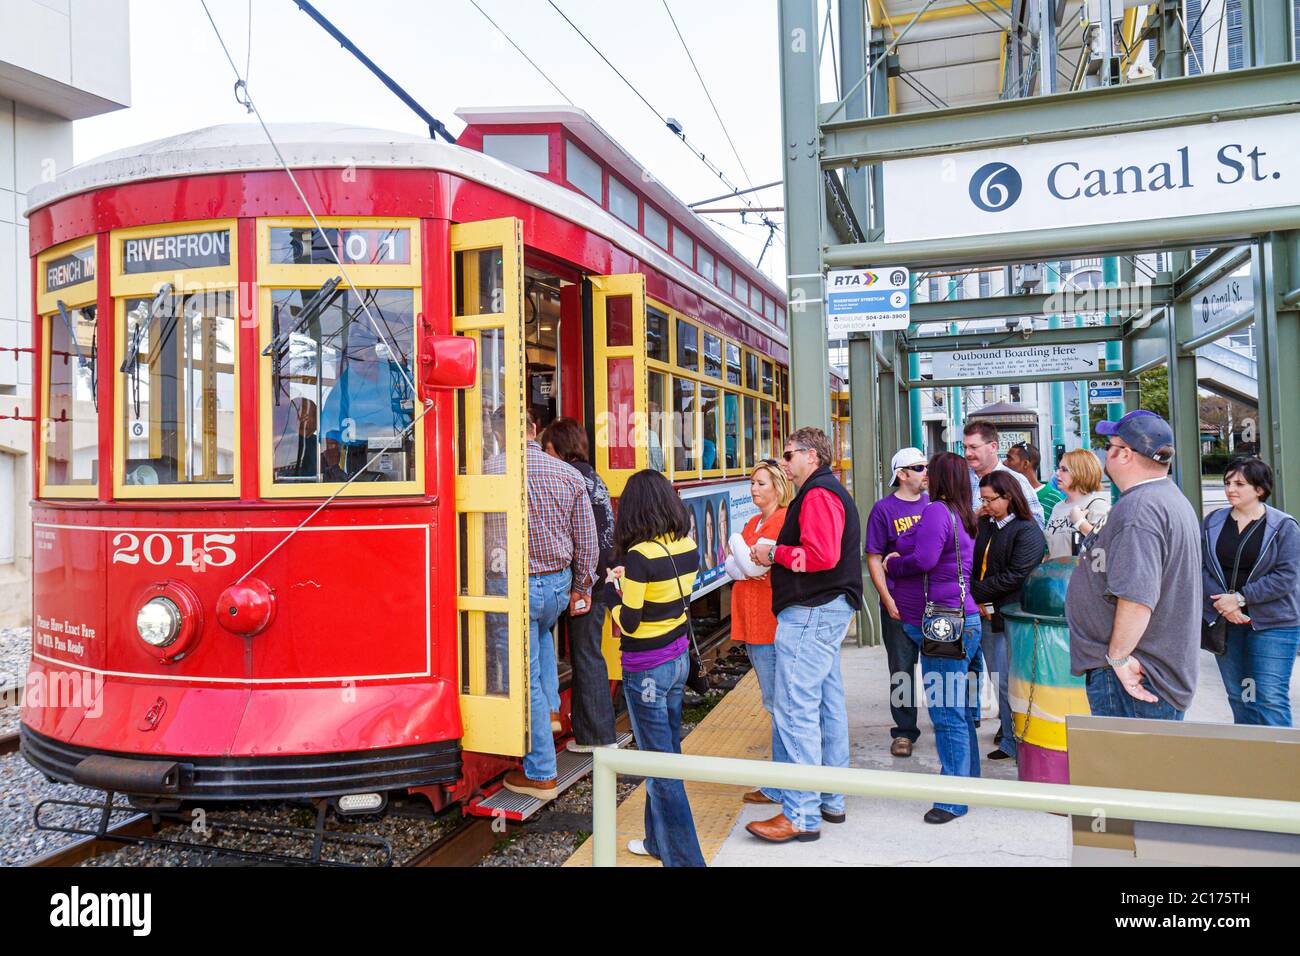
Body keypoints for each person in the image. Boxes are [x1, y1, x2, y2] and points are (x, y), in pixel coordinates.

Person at [746, 427, 861, 843]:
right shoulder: (825, 491)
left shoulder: (818, 494)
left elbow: (821, 555)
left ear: (811, 456)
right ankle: (830, 799)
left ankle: (800, 814)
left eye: (789, 454)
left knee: (796, 709)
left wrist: (772, 552)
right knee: (827, 706)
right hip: (825, 610)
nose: (784, 462)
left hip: (812, 611)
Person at [1065, 410, 1201, 720]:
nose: (1105, 455)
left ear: (1124, 454)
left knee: (1126, 768)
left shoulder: (1139, 509)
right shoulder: (1166, 498)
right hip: (1147, 668)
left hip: (1133, 674)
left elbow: (1137, 598)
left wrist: (1118, 658)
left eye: (1109, 445)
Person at [609, 470, 706, 866]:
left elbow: (629, 621)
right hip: (677, 660)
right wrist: (628, 583)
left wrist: (615, 591)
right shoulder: (688, 545)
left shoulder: (638, 555)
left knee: (659, 769)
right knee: (666, 753)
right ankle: (656, 842)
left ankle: (685, 860)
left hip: (646, 668)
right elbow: (666, 599)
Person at [501, 411, 598, 801]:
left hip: (516, 588)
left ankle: (541, 772)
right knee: (541, 638)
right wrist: (581, 587)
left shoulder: (492, 469)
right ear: (533, 432)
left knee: (523, 677)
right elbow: (586, 542)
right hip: (556, 587)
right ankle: (555, 715)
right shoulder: (568, 473)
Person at [883, 452, 982, 824]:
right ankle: (968, 782)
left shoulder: (938, 511)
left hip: (943, 621)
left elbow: (923, 559)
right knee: (960, 709)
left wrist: (895, 564)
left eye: (929, 471)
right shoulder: (964, 513)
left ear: (940, 477)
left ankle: (953, 798)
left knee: (946, 711)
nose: (924, 476)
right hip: (965, 617)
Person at [1202, 457, 1300, 726]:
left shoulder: (1283, 526)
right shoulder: (1213, 522)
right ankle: (1249, 763)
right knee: (1240, 696)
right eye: (1227, 483)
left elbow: (1287, 577)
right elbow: (1199, 567)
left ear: (1259, 489)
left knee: (1269, 696)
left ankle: (1281, 764)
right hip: (1226, 621)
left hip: (1273, 624)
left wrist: (1240, 599)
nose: (1230, 489)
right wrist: (1224, 604)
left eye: (1240, 484)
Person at [542, 418, 618, 752]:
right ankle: (591, 733)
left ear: (557, 448)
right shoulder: (591, 475)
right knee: (589, 653)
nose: (546, 456)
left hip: (587, 581)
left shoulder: (570, 477)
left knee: (587, 655)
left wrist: (579, 585)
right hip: (603, 577)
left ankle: (598, 738)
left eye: (547, 449)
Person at [727, 461, 794, 807]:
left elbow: (753, 566)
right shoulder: (753, 522)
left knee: (777, 703)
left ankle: (781, 784)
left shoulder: (781, 520)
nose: (754, 489)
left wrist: (744, 561)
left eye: (761, 483)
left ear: (778, 487)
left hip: (769, 622)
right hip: (754, 621)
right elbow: (736, 567)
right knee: (775, 702)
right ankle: (783, 779)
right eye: (753, 483)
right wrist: (744, 562)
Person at [972, 471, 1046, 761]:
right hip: (987, 614)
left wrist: (974, 592)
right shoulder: (984, 525)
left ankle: (1015, 740)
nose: (985, 504)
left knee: (1008, 680)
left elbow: (1016, 576)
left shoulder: (1027, 531)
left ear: (1009, 497)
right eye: (983, 499)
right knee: (997, 678)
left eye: (990, 499)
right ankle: (1009, 736)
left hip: (1010, 617)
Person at [864, 447, 930, 758]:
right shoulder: (883, 510)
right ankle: (904, 731)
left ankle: (949, 723)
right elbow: (874, 558)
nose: (924, 472)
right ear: (901, 475)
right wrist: (886, 598)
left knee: (940, 666)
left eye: (925, 466)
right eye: (918, 468)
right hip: (899, 604)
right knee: (902, 670)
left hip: (934, 603)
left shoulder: (936, 505)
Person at [963, 422, 1044, 527]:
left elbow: (1037, 524)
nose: (967, 453)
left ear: (993, 447)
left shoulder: (1016, 480)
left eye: (973, 447)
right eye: (965, 447)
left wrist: (1001, 519)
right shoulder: (958, 478)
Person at [1044, 449, 1112, 559]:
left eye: (1064, 469)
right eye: (1058, 468)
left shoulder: (1097, 505)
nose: (1057, 473)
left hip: (1081, 574)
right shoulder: (1058, 507)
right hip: (1057, 574)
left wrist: (1080, 523)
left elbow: (1107, 546)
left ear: (1081, 472)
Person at [1006, 442, 1065, 519]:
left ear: (1025, 464)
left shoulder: (1056, 499)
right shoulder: (1005, 495)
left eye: (1010, 459)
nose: (1004, 463)